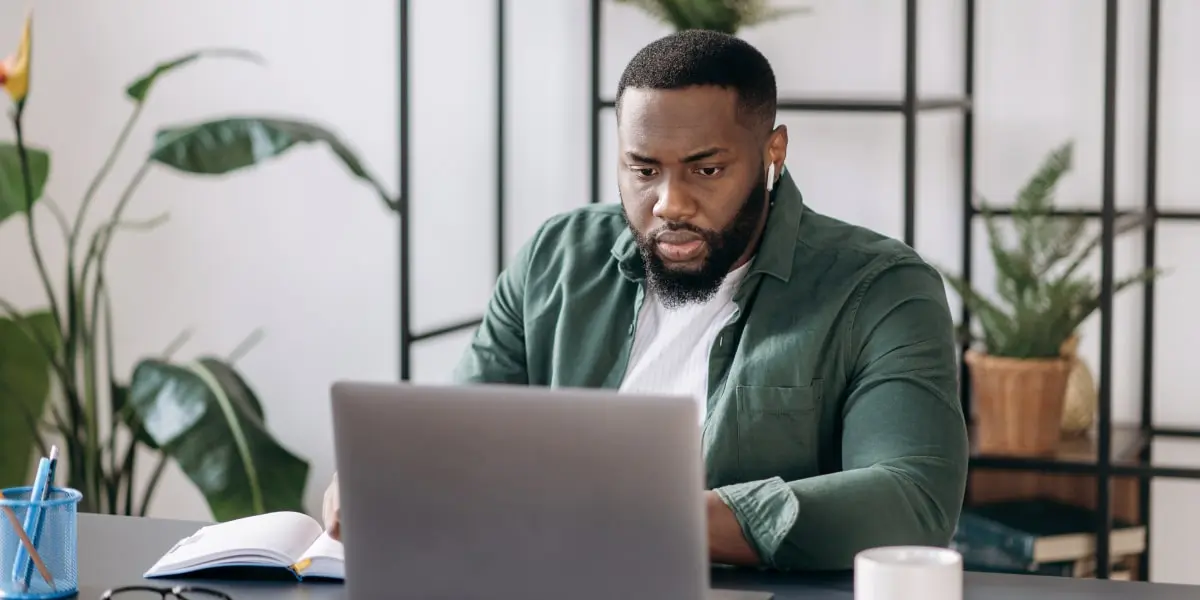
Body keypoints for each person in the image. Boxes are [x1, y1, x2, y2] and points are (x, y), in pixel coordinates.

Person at [324, 29, 968, 572]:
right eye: (642, 170)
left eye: (705, 169)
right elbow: (456, 440)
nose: (669, 204)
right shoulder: (558, 258)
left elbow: (911, 502)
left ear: (772, 154)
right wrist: (384, 483)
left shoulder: (881, 288)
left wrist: (652, 519)